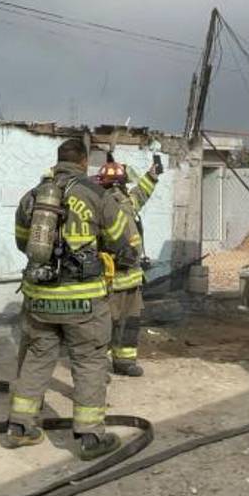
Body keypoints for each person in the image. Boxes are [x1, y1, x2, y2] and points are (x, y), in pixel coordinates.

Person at [9, 138, 136, 460]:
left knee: (38, 357)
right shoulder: (96, 194)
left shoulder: (32, 196)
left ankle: (21, 426)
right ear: (83, 162)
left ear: (57, 161)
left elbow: (24, 244)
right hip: (84, 300)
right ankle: (90, 437)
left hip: (39, 297)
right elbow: (121, 239)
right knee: (89, 362)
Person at [96, 158, 161, 377]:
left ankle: (124, 361)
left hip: (131, 277)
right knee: (107, 324)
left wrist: (152, 174)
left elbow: (141, 193)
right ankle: (99, 367)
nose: (118, 188)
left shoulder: (126, 201)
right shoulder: (101, 205)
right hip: (110, 278)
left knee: (130, 321)